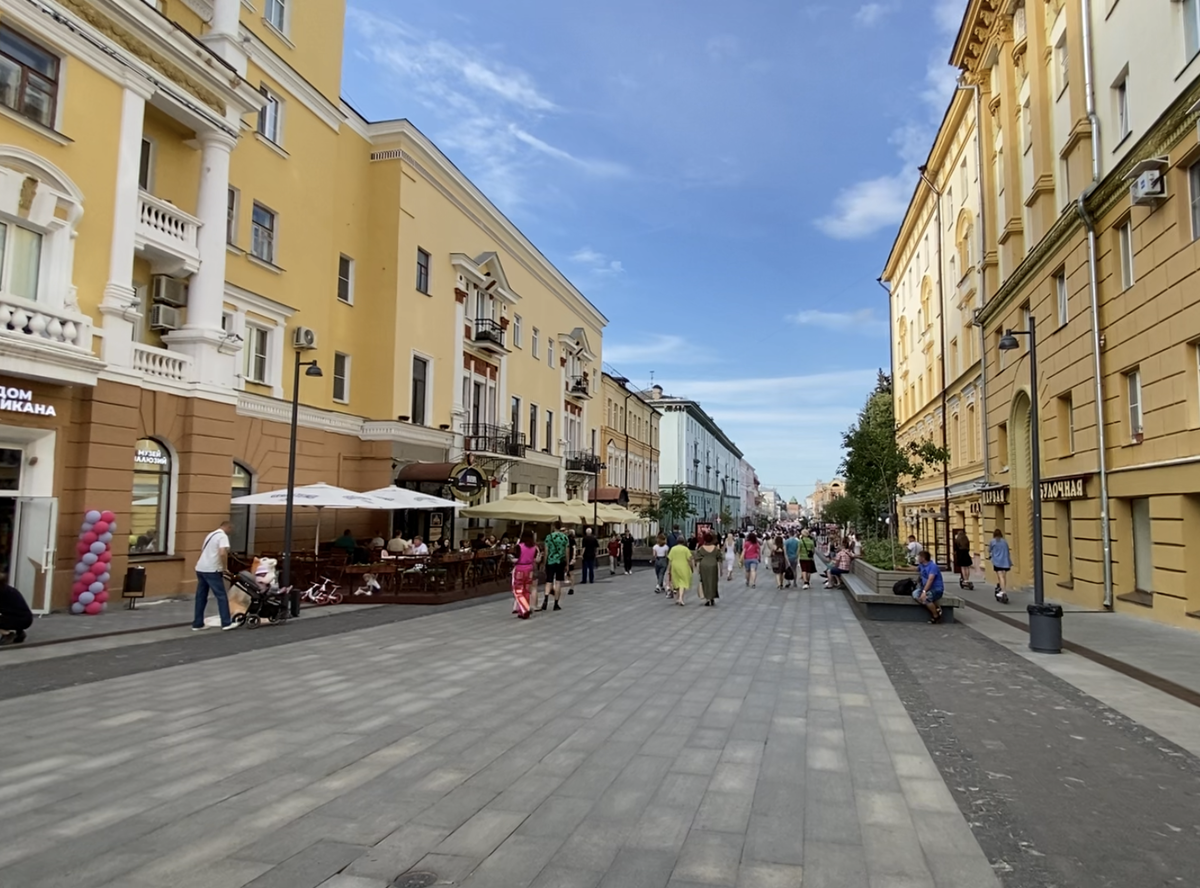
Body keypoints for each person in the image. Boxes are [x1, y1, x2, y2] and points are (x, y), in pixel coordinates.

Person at [193, 519, 237, 631]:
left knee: (201, 596)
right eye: (231, 529)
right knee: (221, 596)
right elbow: (222, 553)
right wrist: (224, 567)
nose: (231, 532)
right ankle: (226, 623)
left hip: (201, 568)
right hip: (212, 569)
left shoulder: (210, 535)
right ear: (228, 527)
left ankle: (197, 624)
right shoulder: (222, 537)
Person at [510, 530, 539, 619]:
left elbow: (516, 558)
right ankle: (521, 610)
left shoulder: (519, 546)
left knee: (518, 590)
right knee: (526, 590)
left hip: (520, 568)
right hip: (529, 569)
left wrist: (511, 558)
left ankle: (525, 610)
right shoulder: (534, 547)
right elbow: (535, 558)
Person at [541, 521, 569, 611]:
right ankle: (556, 603)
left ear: (553, 527)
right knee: (558, 582)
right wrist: (567, 563)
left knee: (548, 581)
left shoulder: (549, 537)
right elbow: (567, 552)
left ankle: (545, 600)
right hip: (560, 562)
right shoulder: (565, 537)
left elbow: (546, 551)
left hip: (550, 561)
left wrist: (544, 563)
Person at [0, 573, 33, 646]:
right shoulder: (7, 589)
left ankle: (8, 635)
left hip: (19, 619)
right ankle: (19, 634)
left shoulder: (2, 592)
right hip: (26, 618)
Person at [916, 550, 944, 622]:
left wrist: (924, 591)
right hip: (926, 588)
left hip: (936, 589)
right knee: (915, 594)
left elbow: (930, 580)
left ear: (923, 558)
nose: (917, 558)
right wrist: (901, 568)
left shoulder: (933, 566)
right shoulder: (921, 565)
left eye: (919, 557)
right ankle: (936, 607)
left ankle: (936, 616)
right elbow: (915, 569)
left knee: (925, 598)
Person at [695, 531, 722, 606]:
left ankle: (707, 598)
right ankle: (712, 597)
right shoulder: (716, 548)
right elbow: (720, 558)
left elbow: (698, 560)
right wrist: (721, 570)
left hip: (704, 565)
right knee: (713, 581)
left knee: (705, 581)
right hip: (713, 565)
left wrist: (698, 569)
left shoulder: (701, 548)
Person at [667, 535, 694, 606]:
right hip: (684, 567)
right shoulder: (686, 549)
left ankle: (677, 598)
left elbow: (670, 560)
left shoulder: (673, 549)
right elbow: (689, 559)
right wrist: (692, 568)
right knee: (682, 583)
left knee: (677, 582)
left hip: (675, 567)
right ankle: (681, 598)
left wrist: (669, 569)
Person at [987, 528, 1012, 603]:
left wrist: (991, 555)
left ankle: (1003, 591)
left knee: (1000, 576)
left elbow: (989, 550)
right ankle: (1003, 589)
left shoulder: (993, 541)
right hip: (1005, 561)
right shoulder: (1004, 542)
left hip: (997, 562)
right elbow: (1008, 551)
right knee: (1003, 577)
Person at [565, 529, 577, 594]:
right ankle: (571, 587)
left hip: (566, 558)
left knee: (570, 572)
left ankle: (568, 582)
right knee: (571, 572)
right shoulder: (572, 540)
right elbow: (574, 549)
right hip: (570, 558)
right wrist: (574, 557)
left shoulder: (567, 540)